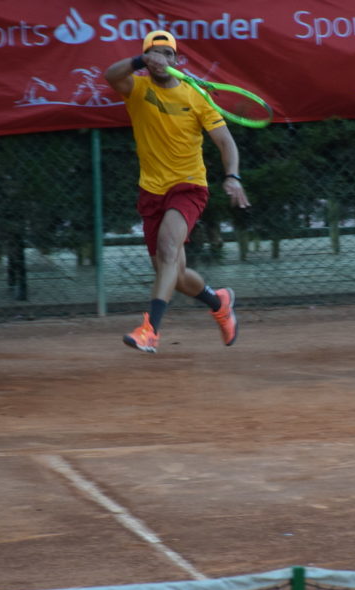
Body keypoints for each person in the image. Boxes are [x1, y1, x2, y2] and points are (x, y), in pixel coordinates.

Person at [104, 30, 249, 354]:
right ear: (147, 61)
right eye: (154, 54)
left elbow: (226, 142)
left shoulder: (196, 96)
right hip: (151, 191)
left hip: (188, 187)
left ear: (176, 60)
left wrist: (232, 176)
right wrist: (138, 61)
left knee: (169, 249)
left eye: (167, 54)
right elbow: (110, 75)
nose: (161, 59)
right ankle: (219, 302)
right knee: (174, 274)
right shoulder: (136, 88)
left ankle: (150, 330)